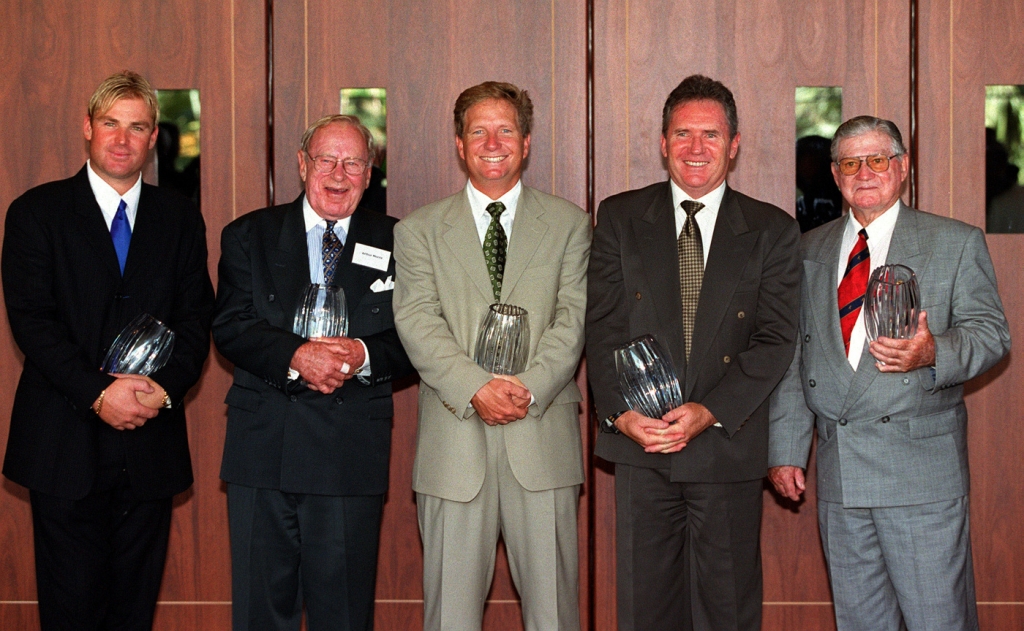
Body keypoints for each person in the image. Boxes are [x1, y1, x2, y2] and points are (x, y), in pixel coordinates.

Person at [769, 115, 1010, 631]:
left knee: (937, 622)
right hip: (841, 478)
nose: (865, 173)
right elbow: (796, 359)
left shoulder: (955, 242)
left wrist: (933, 353)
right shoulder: (808, 249)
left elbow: (993, 334)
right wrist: (787, 449)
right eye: (851, 163)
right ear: (835, 176)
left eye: (877, 160)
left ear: (902, 168)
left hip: (920, 477)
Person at [586, 74, 801, 631]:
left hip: (725, 449)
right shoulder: (619, 217)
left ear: (734, 144)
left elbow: (777, 337)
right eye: (683, 134)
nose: (696, 149)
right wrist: (622, 415)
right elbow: (602, 328)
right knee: (645, 610)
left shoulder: (772, 229)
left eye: (711, 134)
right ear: (663, 143)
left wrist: (710, 411)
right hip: (642, 447)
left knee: (727, 610)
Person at [1, 70, 214, 630]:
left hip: (150, 443)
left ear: (152, 138)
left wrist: (160, 392)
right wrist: (100, 395)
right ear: (87, 130)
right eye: (110, 124)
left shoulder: (180, 219)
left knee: (133, 611)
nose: (122, 139)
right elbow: (33, 324)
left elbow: (196, 320)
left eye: (137, 126)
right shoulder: (35, 213)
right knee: (71, 611)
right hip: (62, 444)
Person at [393, 81, 590, 631]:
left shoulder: (570, 224)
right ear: (459, 144)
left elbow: (572, 320)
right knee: (450, 617)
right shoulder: (418, 232)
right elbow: (416, 320)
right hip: (453, 446)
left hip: (542, 439)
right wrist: (476, 386)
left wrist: (525, 388)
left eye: (506, 129)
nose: (492, 142)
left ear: (526, 142)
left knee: (554, 614)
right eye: (478, 130)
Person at [213, 114, 411, 630]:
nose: (339, 174)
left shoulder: (402, 241)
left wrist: (362, 355)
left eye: (353, 163)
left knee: (343, 615)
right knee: (260, 613)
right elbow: (231, 326)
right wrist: (296, 356)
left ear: (371, 173)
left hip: (349, 455)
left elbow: (419, 341)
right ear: (302, 165)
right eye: (327, 160)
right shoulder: (248, 235)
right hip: (264, 450)